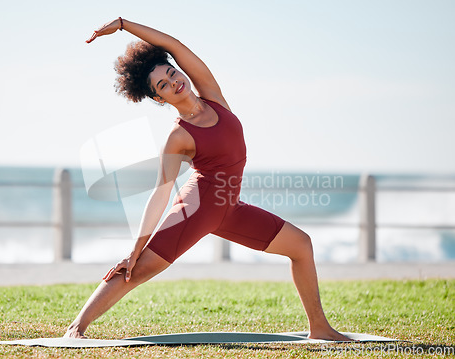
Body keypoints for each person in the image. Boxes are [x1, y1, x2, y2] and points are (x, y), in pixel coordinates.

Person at [64, 17, 351, 342]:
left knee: (301, 245)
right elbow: (161, 192)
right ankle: (76, 328)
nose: (173, 83)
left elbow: (174, 46)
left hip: (231, 209)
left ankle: (320, 328)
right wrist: (136, 246)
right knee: (138, 268)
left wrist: (123, 25)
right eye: (163, 86)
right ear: (159, 99)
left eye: (171, 73)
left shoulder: (212, 94)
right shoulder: (178, 136)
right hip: (195, 210)